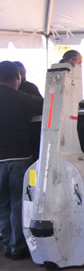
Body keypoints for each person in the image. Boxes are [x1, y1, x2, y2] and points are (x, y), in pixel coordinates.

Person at [0, 61, 44, 260]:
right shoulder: (20, 97)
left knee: (2, 204)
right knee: (20, 202)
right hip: (20, 157)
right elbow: (47, 105)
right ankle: (17, 246)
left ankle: (7, 243)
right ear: (17, 78)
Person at [13, 62, 43, 162]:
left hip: (32, 129)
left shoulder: (29, 87)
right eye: (21, 74)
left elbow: (41, 105)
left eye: (24, 73)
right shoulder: (15, 93)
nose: (23, 77)